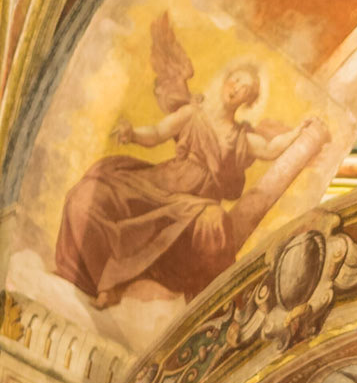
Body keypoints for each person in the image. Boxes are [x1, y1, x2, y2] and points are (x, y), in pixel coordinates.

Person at [55, 17, 328, 307]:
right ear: (226, 79)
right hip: (159, 183)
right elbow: (159, 132)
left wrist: (300, 131)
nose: (237, 89)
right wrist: (132, 133)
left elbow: (273, 148)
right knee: (90, 197)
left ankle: (128, 287)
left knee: (213, 224)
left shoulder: (242, 138)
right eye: (236, 80)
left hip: (193, 203)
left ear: (248, 102)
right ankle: (102, 279)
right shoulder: (192, 113)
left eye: (246, 90)